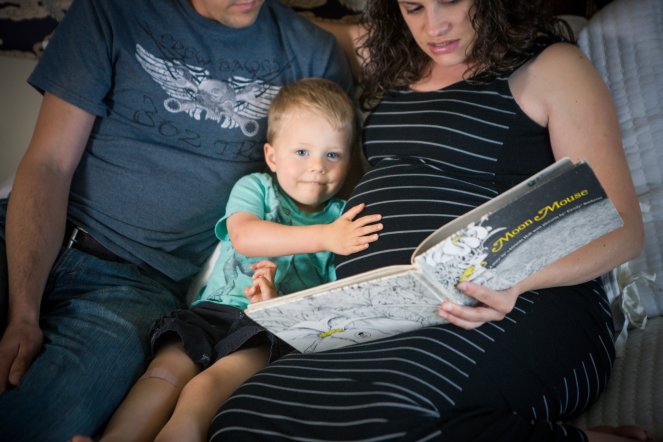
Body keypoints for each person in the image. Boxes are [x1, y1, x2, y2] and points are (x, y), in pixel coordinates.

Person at [207, 1, 654, 441]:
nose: (434, 26)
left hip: (517, 306)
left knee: (391, 416)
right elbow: (302, 27)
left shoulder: (551, 66)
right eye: (414, 7)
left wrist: (513, 281)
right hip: (383, 320)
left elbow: (620, 227)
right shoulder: (398, 60)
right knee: (242, 417)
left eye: (450, 1)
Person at [0, 0, 354, 440]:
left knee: (46, 421)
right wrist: (23, 312)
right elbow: (49, 164)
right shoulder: (112, 11)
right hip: (24, 233)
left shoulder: (309, 51)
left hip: (137, 284)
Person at [75, 77, 382, 442]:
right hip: (211, 312)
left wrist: (277, 303)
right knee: (163, 376)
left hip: (268, 330)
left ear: (349, 160)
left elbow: (331, 301)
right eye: (302, 152)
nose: (317, 166)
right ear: (272, 156)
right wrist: (326, 237)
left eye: (332, 155)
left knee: (205, 389)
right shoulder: (257, 188)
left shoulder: (342, 218)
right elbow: (245, 237)